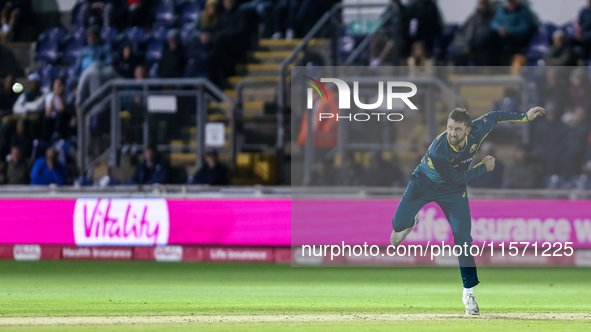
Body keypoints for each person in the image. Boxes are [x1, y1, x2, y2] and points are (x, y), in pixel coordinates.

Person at [390, 106, 545, 315]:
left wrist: (524, 117)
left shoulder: (478, 131)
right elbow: (454, 177)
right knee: (397, 226)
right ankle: (411, 222)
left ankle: (468, 293)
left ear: (468, 130)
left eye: (457, 129)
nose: (452, 133)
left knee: (463, 240)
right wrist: (483, 167)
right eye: (450, 128)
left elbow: (495, 116)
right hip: (423, 184)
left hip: (452, 192)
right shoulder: (438, 151)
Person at [480, 0, 536, 65]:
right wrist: (499, 28)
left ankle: (479, 46)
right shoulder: (502, 10)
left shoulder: (523, 12)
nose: (510, 2)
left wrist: (508, 30)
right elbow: (494, 22)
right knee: (491, 42)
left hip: (515, 38)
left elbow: (523, 28)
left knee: (492, 37)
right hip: (501, 36)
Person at [450, 0, 495, 66]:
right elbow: (465, 32)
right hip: (468, 43)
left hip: (481, 42)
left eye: (484, 3)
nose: (483, 5)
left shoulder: (491, 16)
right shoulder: (474, 17)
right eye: (481, 3)